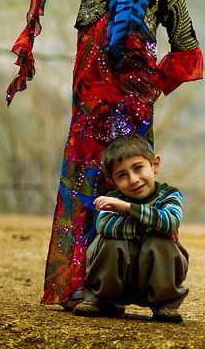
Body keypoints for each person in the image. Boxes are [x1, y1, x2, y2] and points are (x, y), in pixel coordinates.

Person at [7, 0, 204, 309]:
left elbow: (188, 55)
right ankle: (84, 287)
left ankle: (142, 289)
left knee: (132, 194)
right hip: (87, 118)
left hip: (132, 122)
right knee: (81, 196)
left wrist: (146, 89)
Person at [72, 133, 188, 322]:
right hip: (119, 278)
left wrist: (127, 208)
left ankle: (164, 304)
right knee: (112, 242)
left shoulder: (170, 195)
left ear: (155, 164)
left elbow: (172, 221)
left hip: (153, 276)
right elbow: (106, 227)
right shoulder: (111, 199)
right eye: (122, 175)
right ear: (112, 182)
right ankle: (103, 300)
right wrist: (155, 223)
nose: (133, 179)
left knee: (161, 241)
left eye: (138, 168)